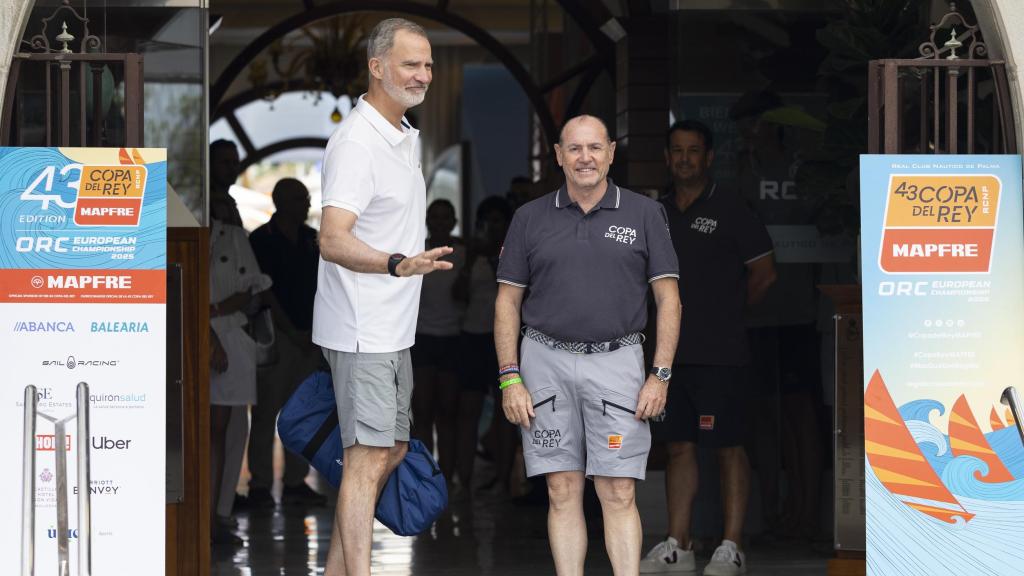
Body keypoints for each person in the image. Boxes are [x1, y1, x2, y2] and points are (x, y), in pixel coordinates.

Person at [495, 114, 681, 576]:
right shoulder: (529, 218)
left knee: (618, 489)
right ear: (558, 155)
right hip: (544, 360)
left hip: (617, 361)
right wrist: (510, 377)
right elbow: (507, 302)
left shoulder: (644, 213)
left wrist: (659, 375)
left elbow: (669, 300)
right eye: (574, 148)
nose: (585, 158)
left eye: (595, 147)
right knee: (561, 488)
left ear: (611, 152)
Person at [313, 18, 450, 576]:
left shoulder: (402, 135)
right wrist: (398, 264)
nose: (423, 75)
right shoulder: (357, 142)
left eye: (429, 65)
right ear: (376, 67)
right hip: (362, 328)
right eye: (410, 64)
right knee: (367, 460)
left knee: (388, 453)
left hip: (393, 330)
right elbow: (331, 238)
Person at [640, 120, 776, 576]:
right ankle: (678, 545)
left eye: (693, 150)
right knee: (678, 446)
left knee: (727, 446)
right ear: (667, 158)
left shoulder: (732, 208)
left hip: (722, 354)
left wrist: (728, 314)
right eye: (677, 151)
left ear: (709, 157)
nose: (684, 159)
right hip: (670, 357)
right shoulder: (654, 213)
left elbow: (765, 274)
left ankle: (731, 546)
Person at [244, 177, 325, 507]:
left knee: (302, 414)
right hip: (276, 337)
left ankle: (295, 481)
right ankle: (260, 484)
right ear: (281, 202)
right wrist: (290, 330)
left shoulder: (312, 239)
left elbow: (323, 288)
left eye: (306, 198)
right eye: (300, 199)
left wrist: (312, 332)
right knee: (265, 413)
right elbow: (263, 290)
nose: (307, 204)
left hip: (309, 337)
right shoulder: (261, 239)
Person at [209, 216, 272, 545]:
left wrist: (213, 312)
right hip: (186, 330)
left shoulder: (233, 236)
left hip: (230, 334)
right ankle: (201, 516)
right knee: (202, 432)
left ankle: (217, 514)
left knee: (226, 431)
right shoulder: (176, 230)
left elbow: (251, 289)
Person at [453, 196, 514, 497]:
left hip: (505, 339)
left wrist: (494, 259)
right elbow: (458, 295)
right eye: (486, 221)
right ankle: (463, 483)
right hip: (472, 337)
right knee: (468, 411)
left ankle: (504, 481)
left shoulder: (514, 252)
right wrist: (469, 261)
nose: (492, 227)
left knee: (507, 412)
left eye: (497, 221)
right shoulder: (470, 254)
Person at [411, 199, 465, 490]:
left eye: (446, 217)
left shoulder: (464, 253)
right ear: (427, 220)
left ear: (454, 221)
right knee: (422, 412)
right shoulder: (415, 251)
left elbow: (466, 295)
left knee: (448, 413)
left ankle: (445, 478)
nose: (440, 222)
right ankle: (425, 477)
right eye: (435, 216)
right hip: (421, 337)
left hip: (453, 338)